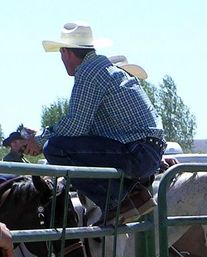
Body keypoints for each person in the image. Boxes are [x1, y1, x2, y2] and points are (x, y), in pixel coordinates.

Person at [24, 21, 165, 226]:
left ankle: (118, 201)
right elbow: (83, 131)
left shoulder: (89, 71)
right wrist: (42, 135)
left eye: (61, 55)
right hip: (145, 151)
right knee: (60, 144)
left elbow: (75, 127)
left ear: (66, 53)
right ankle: (133, 195)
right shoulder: (101, 68)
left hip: (137, 152)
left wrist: (39, 140)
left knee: (55, 149)